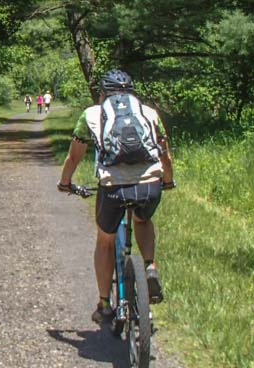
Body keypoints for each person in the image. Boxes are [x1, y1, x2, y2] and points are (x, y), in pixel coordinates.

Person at [57, 69, 175, 324]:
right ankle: (150, 267)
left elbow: (74, 156)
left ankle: (104, 304)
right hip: (149, 185)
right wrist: (167, 180)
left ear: (102, 94)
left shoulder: (91, 114)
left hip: (112, 188)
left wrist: (65, 182)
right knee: (142, 221)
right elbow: (164, 153)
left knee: (105, 241)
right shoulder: (149, 113)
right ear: (132, 92)